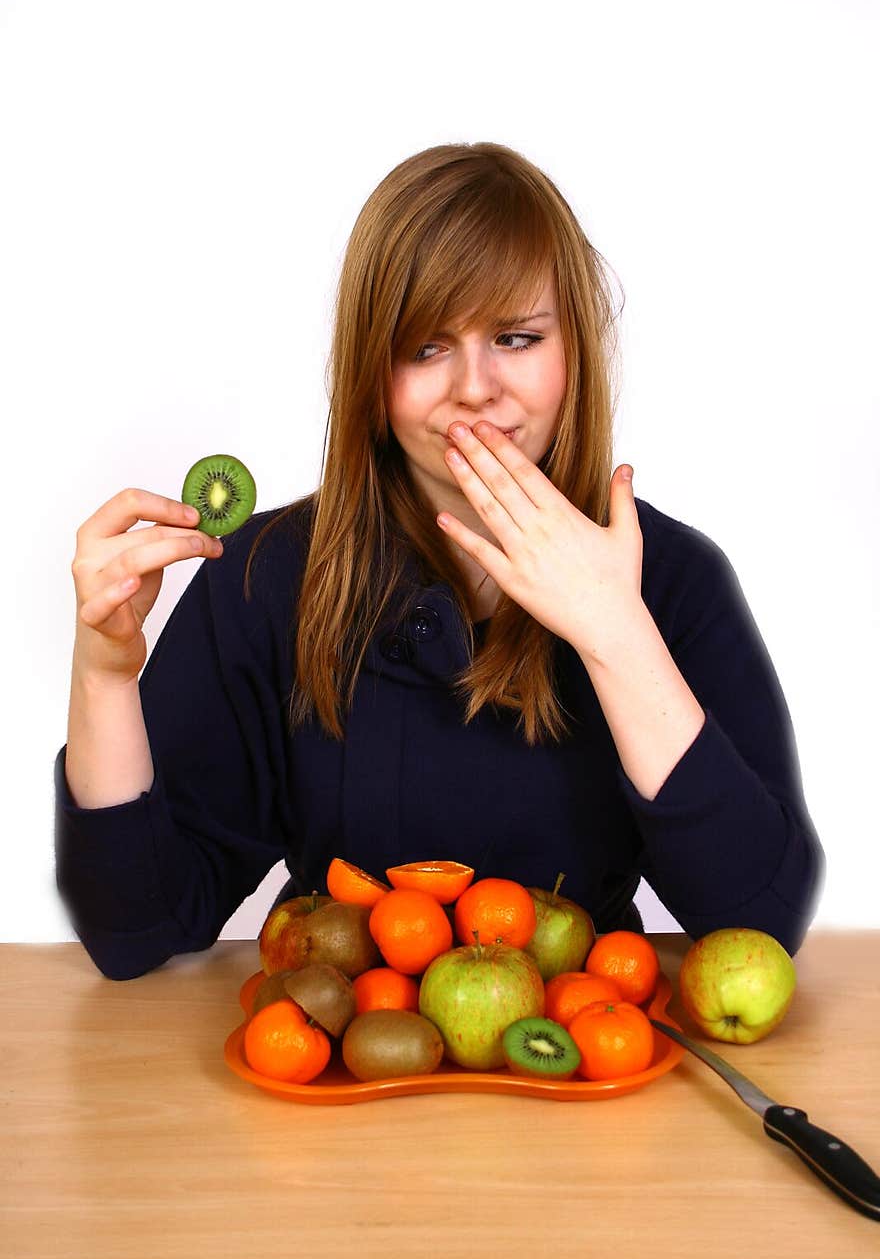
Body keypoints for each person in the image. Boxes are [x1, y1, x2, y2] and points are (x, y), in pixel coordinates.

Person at [54, 141, 825, 982]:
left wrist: (615, 633)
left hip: (588, 1056)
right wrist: (104, 675)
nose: (475, 387)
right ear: (369, 373)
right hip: (338, 1050)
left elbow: (759, 927)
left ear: (574, 354)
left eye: (518, 337)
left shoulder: (673, 577)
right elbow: (137, 928)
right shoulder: (264, 575)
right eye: (426, 348)